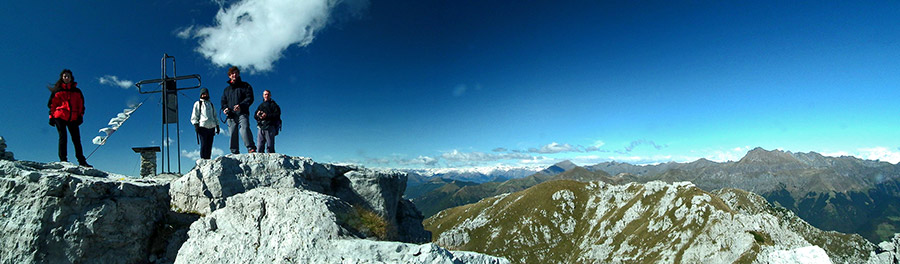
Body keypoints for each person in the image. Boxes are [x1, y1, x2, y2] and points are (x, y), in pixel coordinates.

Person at [47, 69, 91, 167]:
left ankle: (82, 161)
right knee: (63, 137)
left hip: (74, 117)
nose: (66, 78)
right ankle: (63, 160)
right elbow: (52, 105)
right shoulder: (57, 90)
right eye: (64, 76)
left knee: (76, 139)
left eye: (68, 76)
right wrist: (51, 117)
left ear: (71, 78)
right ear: (62, 78)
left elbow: (81, 105)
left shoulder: (77, 91)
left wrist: (80, 116)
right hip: (60, 116)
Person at [221, 66, 257, 154]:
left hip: (242, 112)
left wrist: (241, 105)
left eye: (236, 73)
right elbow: (223, 101)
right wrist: (225, 109)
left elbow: (250, 98)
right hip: (231, 115)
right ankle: (234, 151)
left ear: (238, 74)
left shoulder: (245, 86)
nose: (234, 75)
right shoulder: (226, 90)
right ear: (229, 76)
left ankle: (251, 148)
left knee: (244, 128)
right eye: (232, 73)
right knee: (233, 132)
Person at [191, 88, 220, 159]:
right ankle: (203, 159)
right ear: (201, 95)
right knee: (203, 145)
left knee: (209, 145)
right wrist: (196, 125)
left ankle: (208, 159)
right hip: (202, 127)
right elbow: (195, 115)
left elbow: (215, 116)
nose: (204, 95)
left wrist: (217, 126)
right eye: (203, 94)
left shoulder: (211, 104)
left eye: (206, 93)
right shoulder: (198, 103)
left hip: (211, 127)